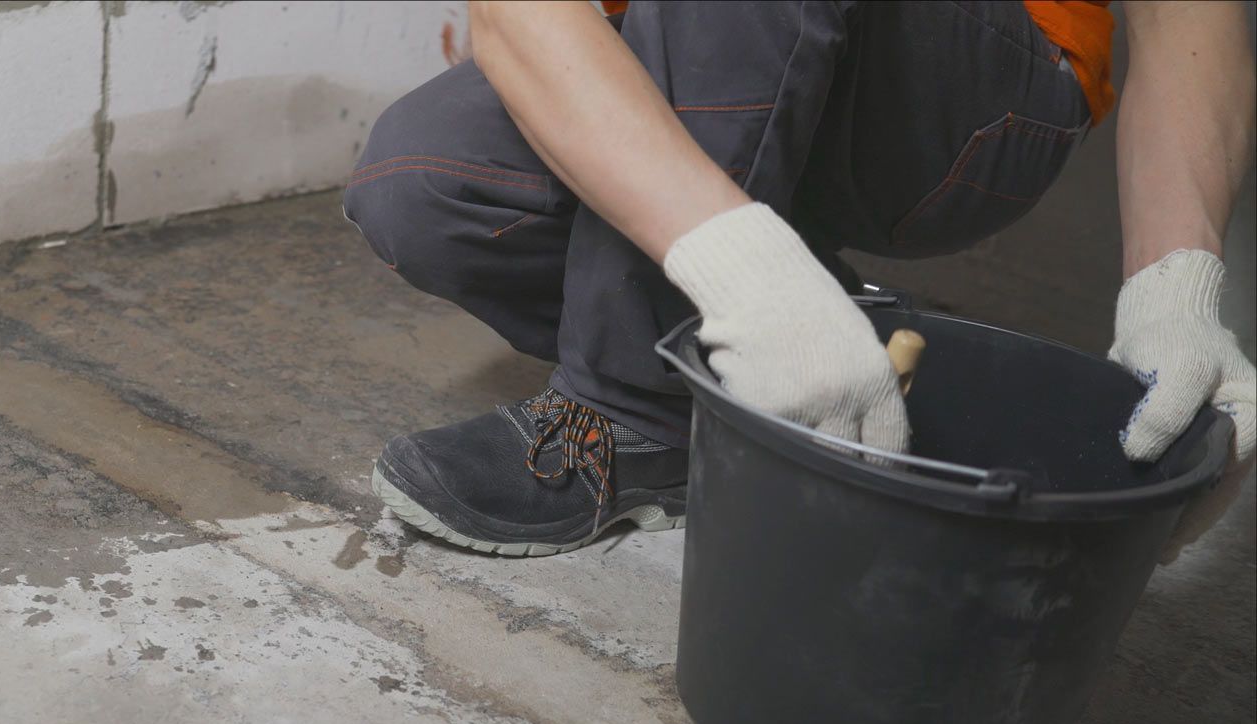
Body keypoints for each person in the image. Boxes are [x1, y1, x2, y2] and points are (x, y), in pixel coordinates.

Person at [345, 0, 1255, 559]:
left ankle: (631, 407)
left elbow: (1184, 10)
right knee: (424, 189)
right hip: (709, 40)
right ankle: (820, 326)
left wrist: (1175, 286)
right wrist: (751, 281)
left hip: (969, 84)